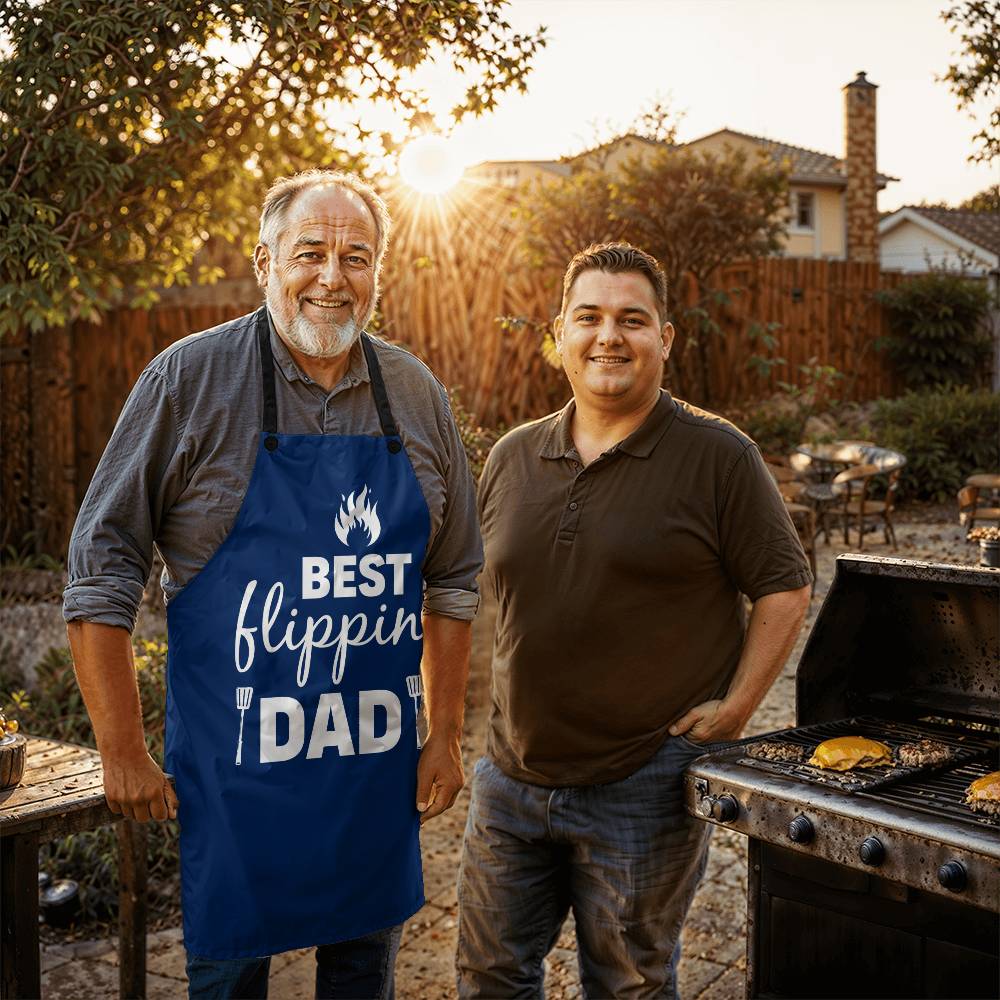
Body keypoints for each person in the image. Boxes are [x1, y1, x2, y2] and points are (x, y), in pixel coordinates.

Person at [64, 169, 483, 999]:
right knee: (228, 983)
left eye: (356, 257)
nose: (333, 278)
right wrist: (121, 750)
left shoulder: (415, 394)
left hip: (370, 783)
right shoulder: (187, 383)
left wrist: (443, 733)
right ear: (264, 263)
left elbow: (455, 574)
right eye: (311, 253)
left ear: (378, 274)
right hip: (236, 786)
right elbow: (101, 563)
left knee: (363, 978)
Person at [457, 242, 812, 999]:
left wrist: (739, 706)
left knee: (629, 985)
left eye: (631, 319)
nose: (608, 336)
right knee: (489, 978)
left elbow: (785, 586)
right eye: (588, 317)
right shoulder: (514, 457)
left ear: (665, 339)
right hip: (509, 777)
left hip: (642, 783)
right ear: (559, 334)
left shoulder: (719, 457)